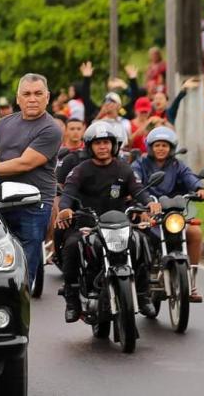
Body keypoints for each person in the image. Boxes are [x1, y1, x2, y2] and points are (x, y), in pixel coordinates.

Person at [56, 121, 161, 322]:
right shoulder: (81, 170)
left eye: (106, 143)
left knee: (142, 241)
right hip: (89, 224)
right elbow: (68, 193)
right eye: (98, 143)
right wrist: (65, 209)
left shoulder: (124, 169)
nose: (103, 147)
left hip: (120, 225)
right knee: (71, 245)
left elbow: (138, 190)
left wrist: (149, 203)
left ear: (114, 145)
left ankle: (143, 292)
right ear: (90, 146)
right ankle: (72, 299)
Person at [0, 73, 63, 285]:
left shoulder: (50, 129)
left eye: (38, 94)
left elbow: (24, 163)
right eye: (27, 94)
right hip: (3, 199)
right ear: (18, 98)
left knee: (26, 261)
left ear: (47, 97)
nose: (32, 98)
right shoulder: (4, 124)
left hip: (35, 203)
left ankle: (24, 298)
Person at [132, 127, 204, 301]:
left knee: (195, 233)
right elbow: (134, 185)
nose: (161, 148)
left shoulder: (177, 165)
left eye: (164, 145)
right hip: (148, 214)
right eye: (157, 145)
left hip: (174, 215)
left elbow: (189, 177)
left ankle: (190, 281)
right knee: (136, 237)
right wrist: (141, 207)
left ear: (171, 147)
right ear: (150, 147)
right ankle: (140, 279)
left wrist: (199, 188)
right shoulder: (139, 164)